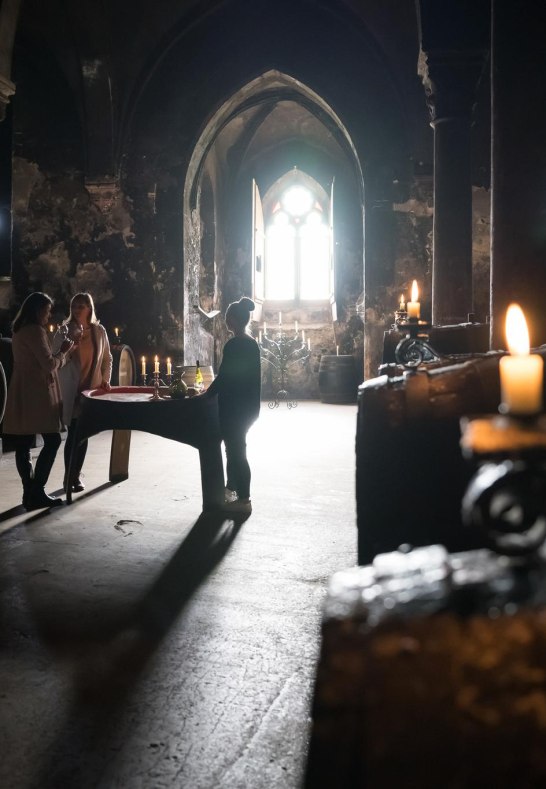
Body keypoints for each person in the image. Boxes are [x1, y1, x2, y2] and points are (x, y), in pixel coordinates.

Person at [3, 292, 73, 510]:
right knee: (52, 440)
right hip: (37, 391)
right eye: (46, 310)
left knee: (23, 443)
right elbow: (48, 364)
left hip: (22, 387)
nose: (48, 314)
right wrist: (63, 352)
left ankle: (28, 493)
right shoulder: (35, 330)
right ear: (37, 310)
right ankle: (37, 491)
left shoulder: (19, 329)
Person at [206, 296, 261, 514]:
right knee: (234, 448)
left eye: (228, 319)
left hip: (235, 408)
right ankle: (231, 489)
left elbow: (225, 376)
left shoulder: (235, 344)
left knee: (236, 451)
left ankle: (244, 496)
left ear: (234, 320)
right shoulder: (250, 342)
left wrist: (208, 394)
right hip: (248, 407)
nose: (225, 323)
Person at [53, 292, 112, 492]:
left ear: (89, 308)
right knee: (72, 435)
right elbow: (57, 362)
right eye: (74, 306)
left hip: (90, 390)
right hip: (72, 389)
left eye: (81, 306)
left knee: (84, 434)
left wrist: (105, 379)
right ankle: (68, 477)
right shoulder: (63, 331)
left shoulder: (99, 331)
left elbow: (107, 359)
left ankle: (76, 476)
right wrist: (70, 344)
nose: (77, 310)